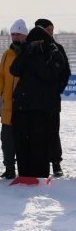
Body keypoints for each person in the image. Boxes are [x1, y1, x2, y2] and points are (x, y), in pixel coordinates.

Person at [10, 26, 67, 178]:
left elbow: (49, 75)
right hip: (22, 105)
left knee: (39, 143)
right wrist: (25, 53)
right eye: (32, 42)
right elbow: (14, 70)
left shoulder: (54, 53)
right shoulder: (26, 53)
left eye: (38, 42)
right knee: (22, 142)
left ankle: (40, 175)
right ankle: (24, 175)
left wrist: (36, 57)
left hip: (42, 106)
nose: (35, 45)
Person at [33, 18, 70, 177]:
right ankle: (37, 163)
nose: (50, 33)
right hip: (33, 100)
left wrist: (57, 90)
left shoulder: (58, 48)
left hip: (52, 99)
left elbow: (65, 72)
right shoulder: (31, 48)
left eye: (51, 30)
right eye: (47, 30)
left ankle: (56, 162)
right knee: (35, 131)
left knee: (53, 131)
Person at [0, 19, 28, 179]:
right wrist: (2, 92)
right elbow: (0, 74)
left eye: (19, 34)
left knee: (23, 139)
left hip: (24, 105)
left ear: (25, 35)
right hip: (8, 103)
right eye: (13, 34)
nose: (15, 37)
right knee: (6, 139)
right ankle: (9, 168)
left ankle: (25, 169)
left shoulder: (30, 52)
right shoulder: (7, 54)